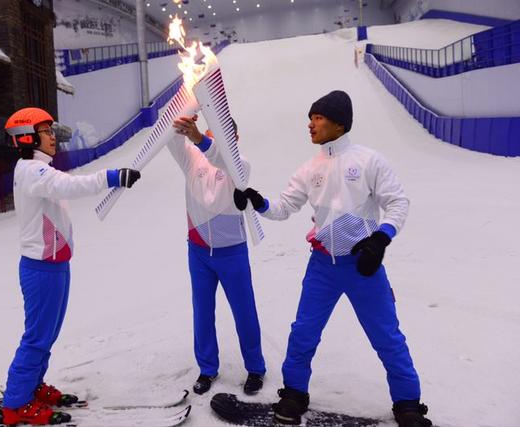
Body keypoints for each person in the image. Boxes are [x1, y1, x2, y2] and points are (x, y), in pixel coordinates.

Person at [234, 91, 432, 427]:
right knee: (303, 333)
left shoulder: (370, 161)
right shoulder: (310, 168)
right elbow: (284, 208)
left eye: (318, 118)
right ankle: (294, 394)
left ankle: (408, 404)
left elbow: (398, 203)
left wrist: (380, 240)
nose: (310, 124)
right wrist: (258, 201)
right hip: (323, 267)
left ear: (339, 122)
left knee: (387, 336)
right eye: (310, 118)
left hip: (363, 266)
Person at [0, 107, 141, 425]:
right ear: (27, 137)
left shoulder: (39, 169)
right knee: (37, 336)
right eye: (46, 131)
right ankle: (15, 403)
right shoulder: (31, 171)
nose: (53, 138)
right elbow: (69, 187)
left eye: (51, 131)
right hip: (41, 269)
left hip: (55, 266)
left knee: (47, 335)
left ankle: (31, 386)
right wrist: (112, 176)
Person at [169, 115, 266, 396]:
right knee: (202, 311)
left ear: (234, 139)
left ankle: (256, 368)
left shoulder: (240, 165)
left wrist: (201, 139)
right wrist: (183, 116)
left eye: (220, 136)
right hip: (198, 251)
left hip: (231, 252)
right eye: (208, 134)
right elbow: (172, 140)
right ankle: (207, 368)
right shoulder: (192, 161)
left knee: (244, 311)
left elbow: (223, 159)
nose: (210, 140)